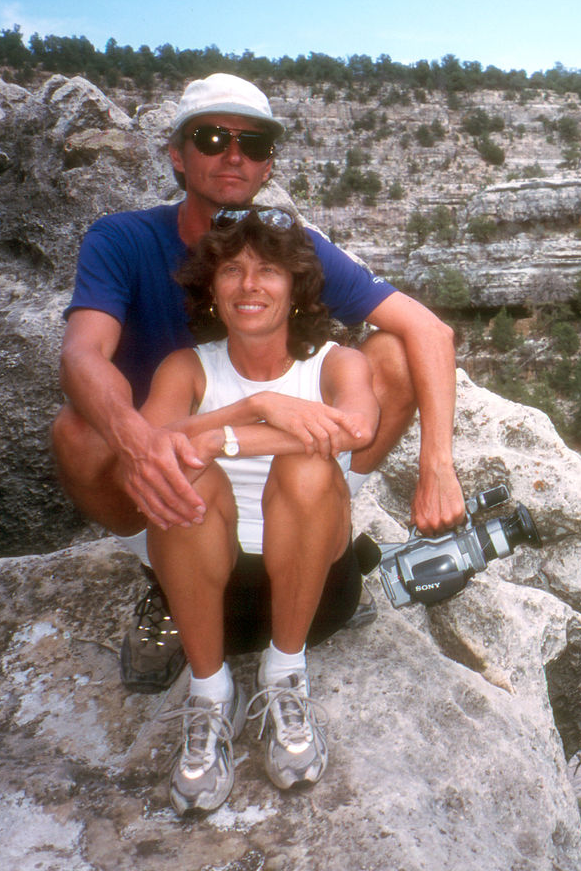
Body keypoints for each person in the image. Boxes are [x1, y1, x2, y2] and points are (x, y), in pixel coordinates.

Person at [51, 73, 466, 690]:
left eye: (255, 142)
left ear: (269, 163)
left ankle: (327, 526)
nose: (234, 155)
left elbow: (430, 332)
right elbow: (83, 356)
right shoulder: (124, 239)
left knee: (397, 356)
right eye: (213, 137)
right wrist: (141, 444)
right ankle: (165, 581)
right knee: (77, 434)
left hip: (295, 454)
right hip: (172, 459)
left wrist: (437, 465)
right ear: (177, 154)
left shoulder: (294, 245)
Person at [140, 205, 373, 810]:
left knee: (307, 465)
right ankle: (211, 694)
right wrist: (250, 409)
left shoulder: (335, 362)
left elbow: (357, 429)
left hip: (312, 593)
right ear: (210, 288)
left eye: (268, 269)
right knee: (180, 466)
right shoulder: (186, 368)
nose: (249, 285)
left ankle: (284, 677)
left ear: (295, 286)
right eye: (232, 270)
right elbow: (149, 449)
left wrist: (221, 437)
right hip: (209, 603)